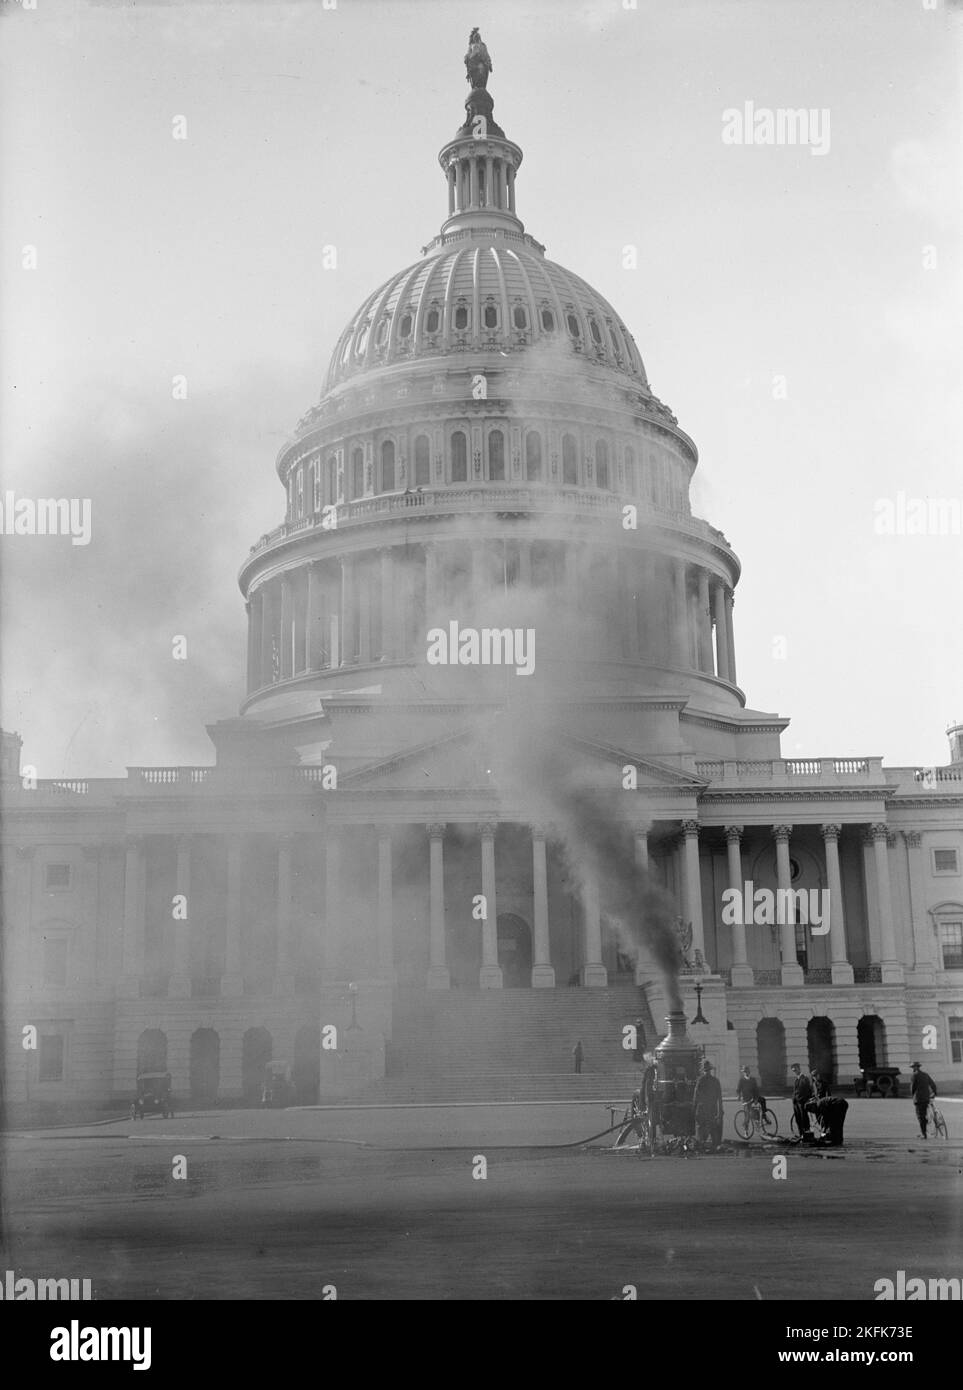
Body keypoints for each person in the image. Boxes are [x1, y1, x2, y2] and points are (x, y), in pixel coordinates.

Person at [693, 1059, 723, 1148]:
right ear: (710, 1070)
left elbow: (696, 1095)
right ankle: (714, 1144)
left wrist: (694, 1108)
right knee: (713, 1126)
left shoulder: (700, 1080)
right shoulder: (716, 1081)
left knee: (701, 1127)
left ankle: (700, 1144)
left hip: (702, 1108)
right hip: (712, 1108)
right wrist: (720, 1110)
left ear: (703, 1070)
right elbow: (719, 1097)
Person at [910, 1061, 937, 1138]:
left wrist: (912, 1095)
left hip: (918, 1099)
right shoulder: (925, 1074)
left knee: (920, 1116)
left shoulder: (914, 1075)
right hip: (926, 1097)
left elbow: (913, 1087)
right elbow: (933, 1084)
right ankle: (925, 1124)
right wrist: (934, 1092)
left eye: (913, 1067)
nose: (912, 1069)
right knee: (924, 1113)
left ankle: (923, 1134)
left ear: (915, 1068)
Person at [791, 1062, 813, 1137]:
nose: (795, 1072)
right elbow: (795, 1091)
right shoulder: (796, 1079)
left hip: (802, 1102)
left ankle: (806, 1132)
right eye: (793, 1071)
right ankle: (801, 1134)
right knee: (798, 1119)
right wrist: (793, 1100)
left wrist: (805, 1100)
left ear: (799, 1069)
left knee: (804, 1118)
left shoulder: (804, 1078)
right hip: (796, 1102)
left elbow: (807, 1091)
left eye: (796, 1070)